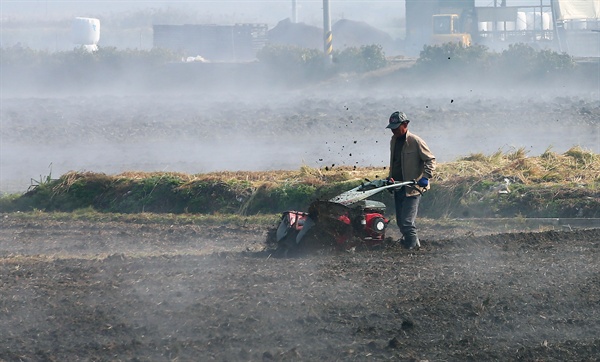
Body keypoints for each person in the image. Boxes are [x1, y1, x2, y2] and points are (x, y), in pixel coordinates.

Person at [386, 111, 436, 250]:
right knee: (401, 223)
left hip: (413, 188)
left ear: (405, 124)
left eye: (396, 127)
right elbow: (395, 162)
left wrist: (425, 177)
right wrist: (390, 177)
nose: (394, 130)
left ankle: (412, 249)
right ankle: (414, 244)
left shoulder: (415, 141)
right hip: (398, 186)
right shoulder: (394, 141)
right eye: (392, 128)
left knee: (407, 222)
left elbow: (430, 160)